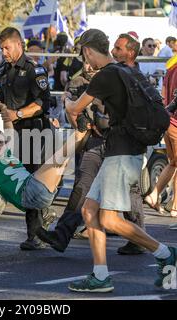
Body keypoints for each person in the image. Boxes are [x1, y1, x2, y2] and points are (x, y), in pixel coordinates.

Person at [65, 29, 177, 293]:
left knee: (111, 220)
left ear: (88, 51)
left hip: (122, 153)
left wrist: (68, 100)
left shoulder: (105, 75)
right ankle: (100, 275)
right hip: (122, 150)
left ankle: (165, 253)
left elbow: (74, 110)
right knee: (89, 210)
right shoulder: (127, 72)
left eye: (85, 54)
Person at [36, 33, 146, 256]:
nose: (115, 52)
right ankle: (63, 235)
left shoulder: (117, 75)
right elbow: (77, 113)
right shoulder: (84, 80)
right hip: (97, 142)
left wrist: (71, 105)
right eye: (113, 47)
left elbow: (74, 108)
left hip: (122, 144)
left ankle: (144, 241)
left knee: (128, 193)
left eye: (118, 48)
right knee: (83, 187)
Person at [0, 27, 56, 250]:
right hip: (15, 133)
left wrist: (17, 114)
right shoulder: (6, 71)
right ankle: (38, 226)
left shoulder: (34, 70)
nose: (4, 52)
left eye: (7, 48)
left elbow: (42, 104)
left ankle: (36, 234)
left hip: (35, 131)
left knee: (33, 179)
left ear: (19, 44)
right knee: (21, 181)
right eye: (1, 49)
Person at [0, 102, 76, 213]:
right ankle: (79, 120)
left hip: (40, 192)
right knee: (63, 153)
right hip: (29, 193)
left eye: (2, 142)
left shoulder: (8, 154)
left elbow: (8, 126)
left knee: (65, 158)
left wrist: (4, 109)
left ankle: (44, 214)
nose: (0, 145)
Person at [144, 57, 177, 218]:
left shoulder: (171, 69)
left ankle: (164, 199)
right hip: (175, 123)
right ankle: (172, 204)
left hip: (169, 121)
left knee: (173, 163)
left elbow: (164, 95)